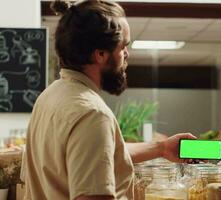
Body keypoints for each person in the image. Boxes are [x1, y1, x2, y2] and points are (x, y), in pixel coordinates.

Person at [21, 1, 195, 200]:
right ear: (101, 54)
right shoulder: (92, 114)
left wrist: (161, 148)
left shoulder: (51, 95)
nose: (127, 55)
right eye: (123, 47)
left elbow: (98, 153)